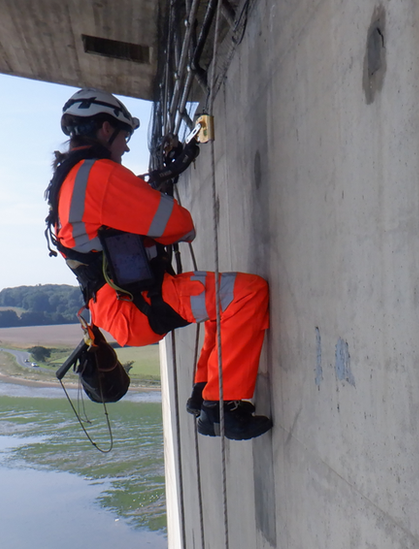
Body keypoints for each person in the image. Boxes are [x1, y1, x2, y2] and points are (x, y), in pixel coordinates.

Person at [45, 88, 272, 440]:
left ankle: (203, 393)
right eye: (125, 137)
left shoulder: (66, 181)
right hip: (138, 305)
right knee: (246, 294)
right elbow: (182, 226)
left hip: (116, 307)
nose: (126, 147)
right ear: (106, 129)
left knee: (217, 302)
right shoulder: (99, 175)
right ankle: (220, 406)